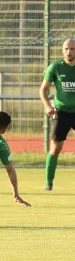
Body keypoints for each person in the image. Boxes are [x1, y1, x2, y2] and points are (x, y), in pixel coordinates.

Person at [40, 38, 75, 190]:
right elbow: (43, 89)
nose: (69, 52)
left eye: (72, 49)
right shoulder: (56, 67)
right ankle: (49, 182)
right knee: (55, 148)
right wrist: (48, 105)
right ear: (62, 50)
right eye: (66, 49)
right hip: (60, 112)